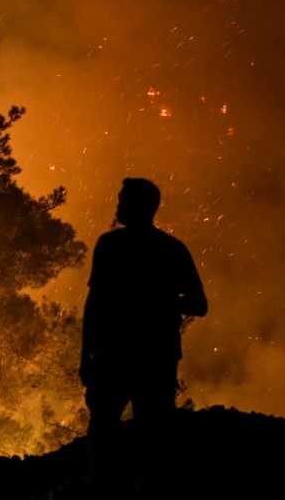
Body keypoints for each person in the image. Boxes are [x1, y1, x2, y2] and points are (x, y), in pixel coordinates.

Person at [80, 178, 208, 500]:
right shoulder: (171, 249)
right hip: (153, 359)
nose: (118, 205)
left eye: (123, 200)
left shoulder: (110, 245)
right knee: (147, 444)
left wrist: (87, 354)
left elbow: (95, 305)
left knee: (106, 438)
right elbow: (197, 304)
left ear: (140, 205)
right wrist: (165, 301)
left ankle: (105, 498)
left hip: (120, 358)